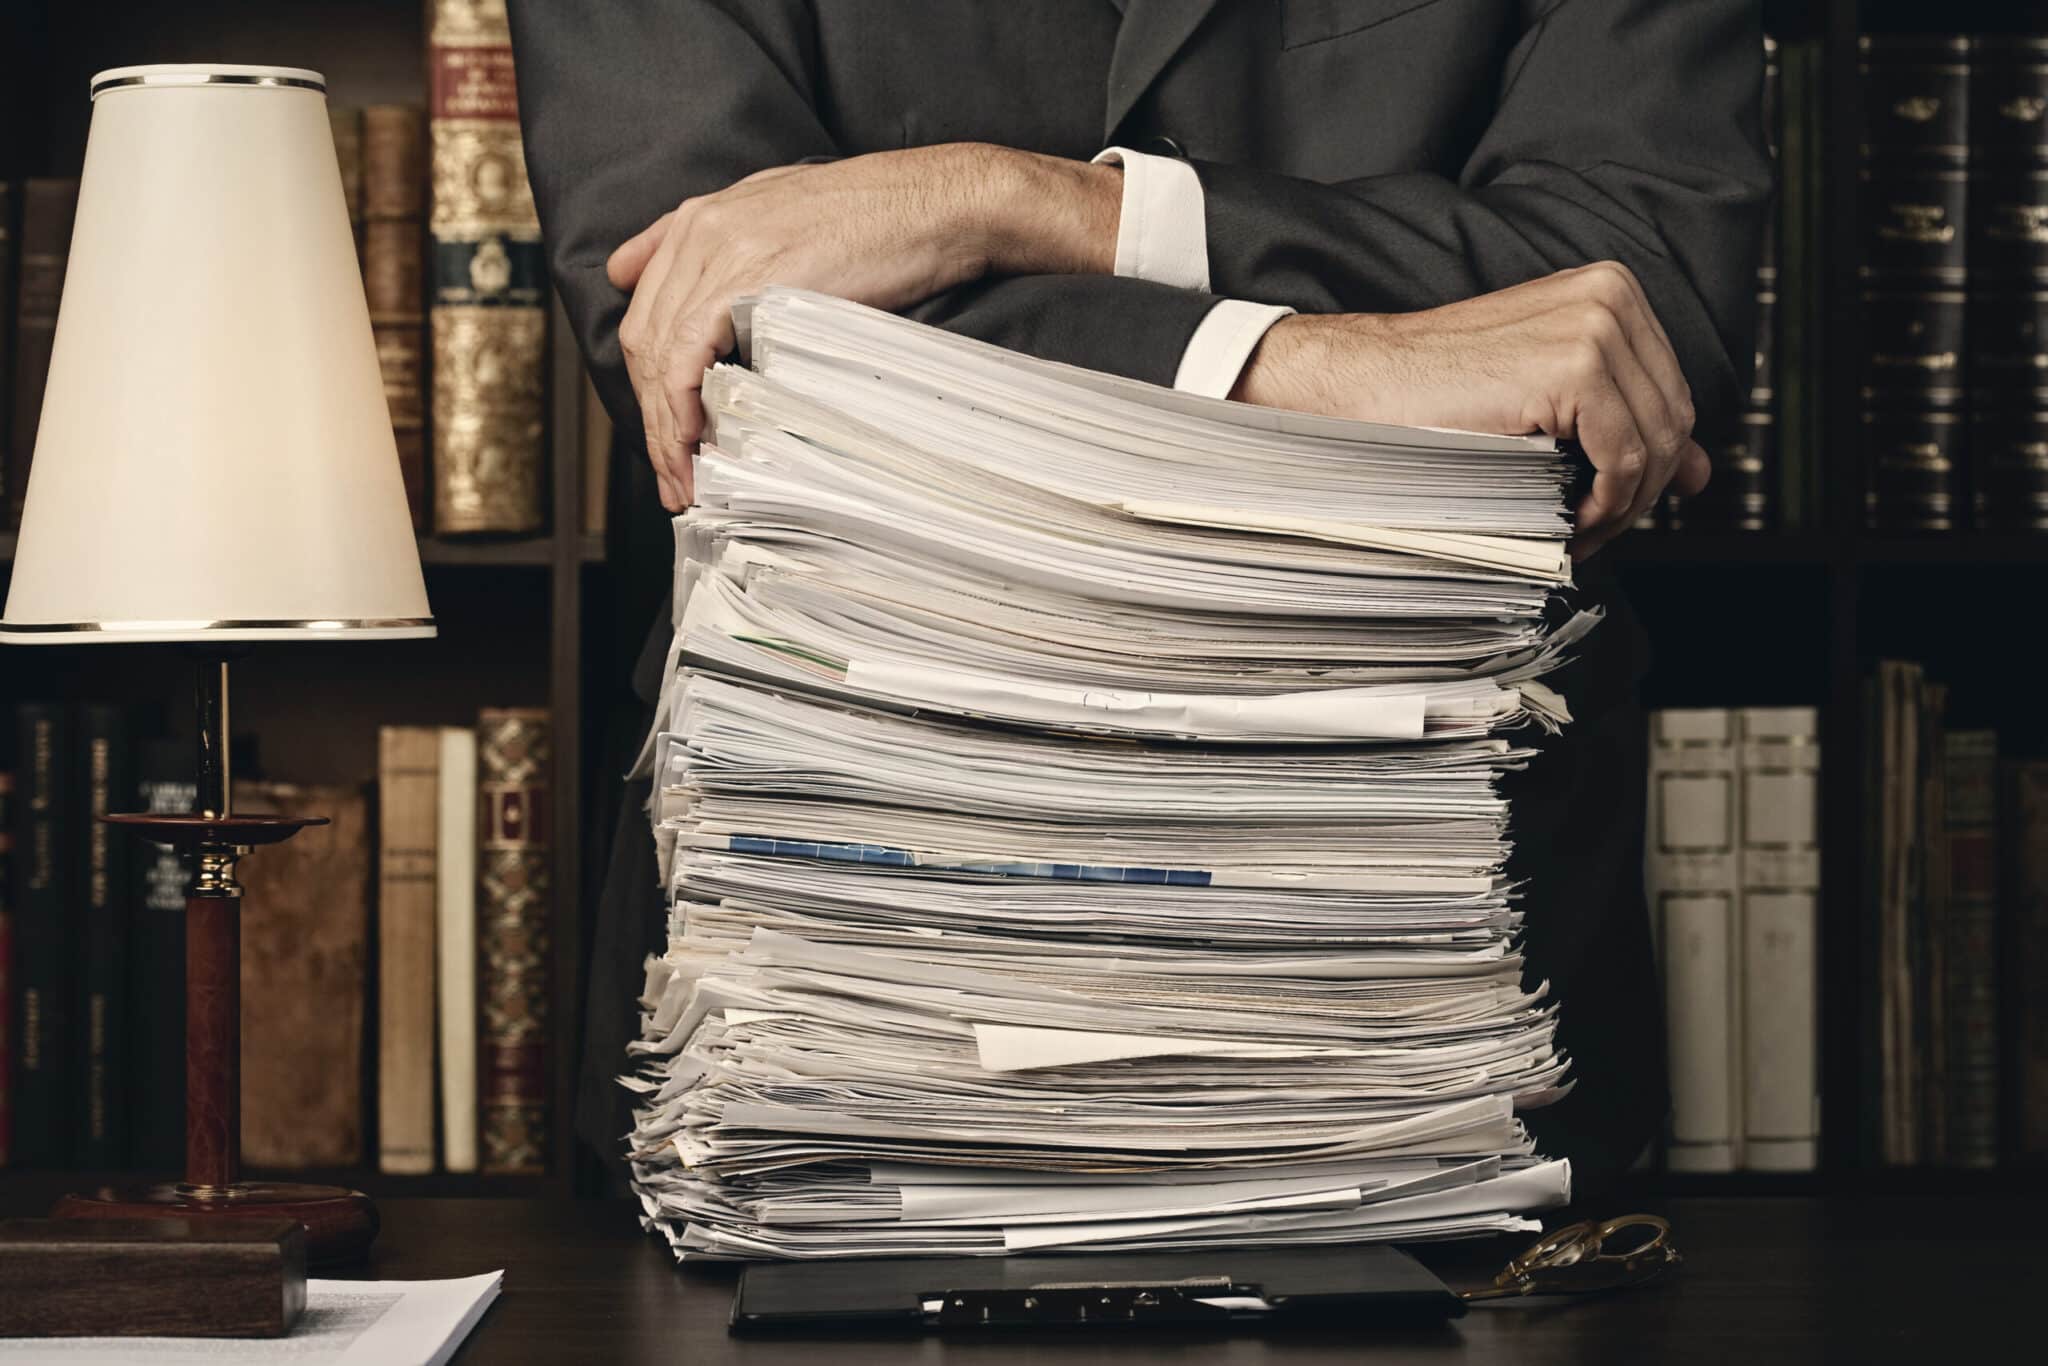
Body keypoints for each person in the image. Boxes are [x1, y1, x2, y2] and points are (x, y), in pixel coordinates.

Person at [507, 0, 1772, 1191]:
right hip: (843, 940)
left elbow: (1640, 317)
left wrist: (1038, 206)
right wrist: (1310, 364)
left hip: (1434, 960)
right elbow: (710, 345)